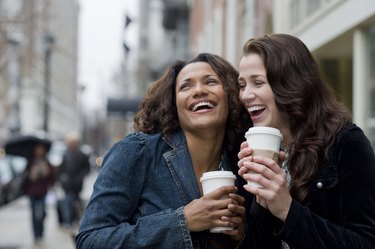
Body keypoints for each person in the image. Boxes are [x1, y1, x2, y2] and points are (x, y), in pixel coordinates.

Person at [76, 53, 252, 249]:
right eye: (186, 86)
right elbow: (90, 240)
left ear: (230, 95)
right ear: (173, 103)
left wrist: (241, 235)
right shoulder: (138, 151)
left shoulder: (243, 164)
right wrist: (182, 222)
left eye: (210, 82)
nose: (199, 90)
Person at [237, 33, 375, 248]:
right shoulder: (265, 149)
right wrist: (260, 202)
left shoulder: (346, 142)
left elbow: (365, 243)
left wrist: (286, 210)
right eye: (242, 85)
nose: (245, 95)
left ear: (290, 83)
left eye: (257, 82)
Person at [23, 143, 55, 244]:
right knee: (34, 214)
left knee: (41, 213)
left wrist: (47, 174)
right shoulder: (30, 162)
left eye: (41, 150)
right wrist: (32, 174)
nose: (39, 152)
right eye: (38, 149)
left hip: (42, 191)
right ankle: (36, 235)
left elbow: (52, 177)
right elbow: (25, 175)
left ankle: (41, 232)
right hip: (32, 191)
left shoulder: (46, 162)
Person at [58, 133, 90, 228]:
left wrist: (80, 177)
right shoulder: (65, 155)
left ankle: (78, 220)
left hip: (77, 185)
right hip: (67, 185)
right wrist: (62, 179)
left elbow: (86, 169)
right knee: (67, 202)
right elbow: (61, 169)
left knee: (77, 203)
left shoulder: (82, 155)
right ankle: (68, 222)